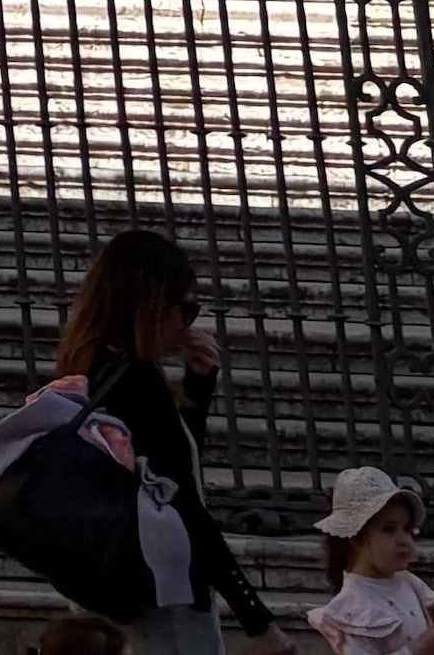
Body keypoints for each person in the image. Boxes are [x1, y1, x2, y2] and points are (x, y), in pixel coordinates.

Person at [55, 227, 286, 655]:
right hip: (160, 595)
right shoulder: (136, 382)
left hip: (108, 587)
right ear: (155, 307)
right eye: (187, 307)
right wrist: (258, 620)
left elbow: (166, 467)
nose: (189, 321)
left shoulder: (90, 369)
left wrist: (197, 390)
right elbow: (183, 504)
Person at [306, 468, 434, 652]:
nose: (404, 541)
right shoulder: (352, 609)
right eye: (389, 529)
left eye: (407, 529)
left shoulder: (410, 584)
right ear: (355, 537)